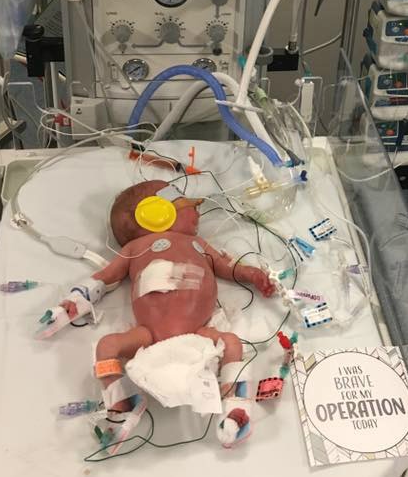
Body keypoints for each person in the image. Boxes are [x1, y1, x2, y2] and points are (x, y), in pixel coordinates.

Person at [59, 180, 275, 450]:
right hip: (149, 335)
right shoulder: (135, 248)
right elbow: (104, 278)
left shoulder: (198, 244)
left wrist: (250, 274)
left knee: (232, 343)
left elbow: (227, 266)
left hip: (198, 331)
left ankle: (235, 407)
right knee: (107, 346)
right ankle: (119, 400)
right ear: (157, 213)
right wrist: (76, 301)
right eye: (186, 202)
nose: (198, 208)